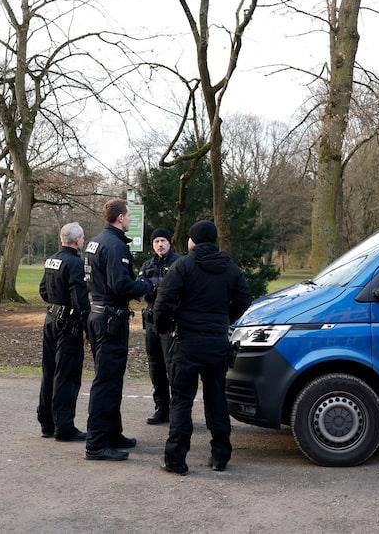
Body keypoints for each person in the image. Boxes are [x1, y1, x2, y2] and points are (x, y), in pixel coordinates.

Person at [153, 219, 253, 475]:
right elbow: (244, 299)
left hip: (187, 341)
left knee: (181, 400)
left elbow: (163, 302)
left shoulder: (183, 266)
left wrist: (165, 327)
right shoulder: (230, 268)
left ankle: (176, 459)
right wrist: (225, 319)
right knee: (216, 398)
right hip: (217, 342)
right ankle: (220, 455)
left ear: (193, 241)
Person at [83, 198, 154, 462]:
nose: (131, 220)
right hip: (110, 318)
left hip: (99, 313)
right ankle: (97, 444)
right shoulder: (115, 245)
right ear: (120, 217)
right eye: (129, 216)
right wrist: (145, 286)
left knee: (111, 379)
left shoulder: (97, 241)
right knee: (106, 381)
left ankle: (112, 433)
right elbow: (120, 285)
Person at [36, 222, 89, 442]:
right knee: (66, 374)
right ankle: (64, 426)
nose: (83, 241)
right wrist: (87, 326)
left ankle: (47, 422)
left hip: (51, 319)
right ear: (77, 240)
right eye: (82, 237)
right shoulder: (75, 262)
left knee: (49, 371)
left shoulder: (52, 260)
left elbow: (43, 291)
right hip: (69, 323)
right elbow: (79, 299)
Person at [138, 227, 180, 425]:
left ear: (169, 242)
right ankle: (161, 408)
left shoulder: (179, 263)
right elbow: (139, 288)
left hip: (171, 323)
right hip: (151, 322)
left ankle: (178, 410)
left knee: (173, 366)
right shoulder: (147, 265)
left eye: (163, 240)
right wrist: (157, 286)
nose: (160, 244)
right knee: (155, 367)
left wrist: (153, 286)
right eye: (156, 241)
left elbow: (176, 290)